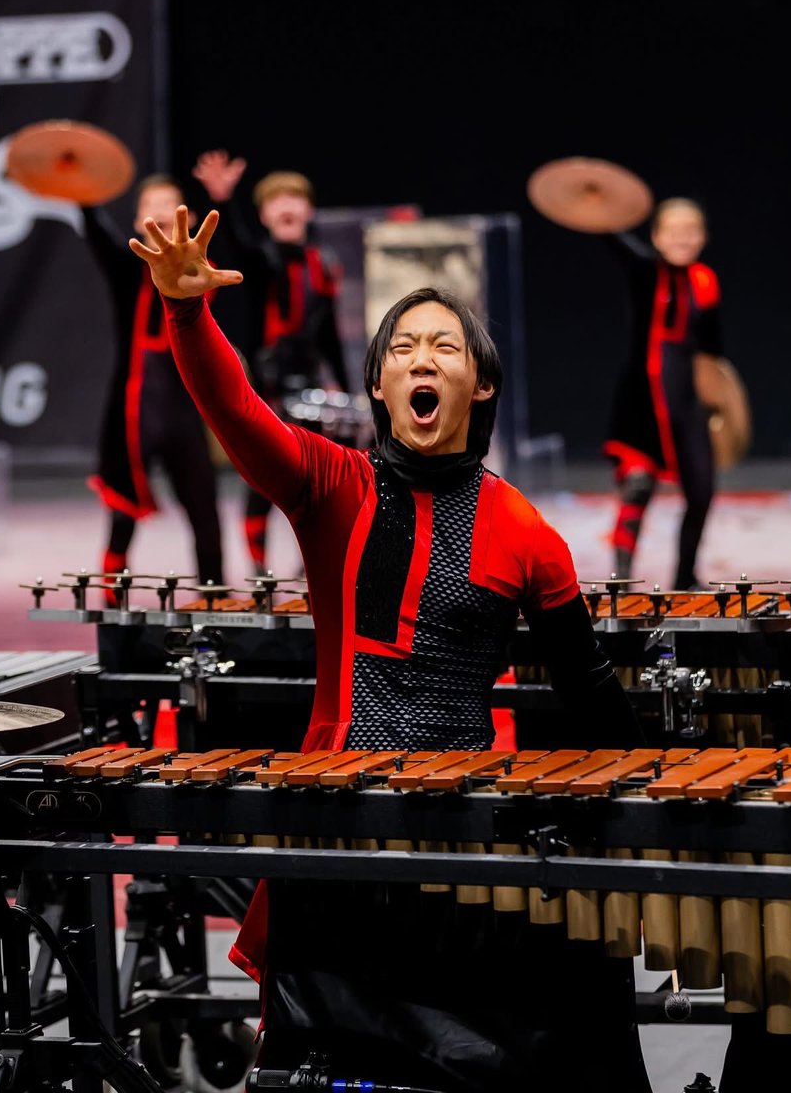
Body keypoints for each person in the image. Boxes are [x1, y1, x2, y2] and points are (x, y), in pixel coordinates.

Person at [130, 205, 651, 1093]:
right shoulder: (329, 486)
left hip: (469, 843)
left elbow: (590, 693)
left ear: (480, 385)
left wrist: (673, 793)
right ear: (377, 384)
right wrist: (186, 311)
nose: (422, 359)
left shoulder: (527, 531)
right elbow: (234, 408)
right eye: (403, 347)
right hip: (336, 837)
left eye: (445, 347)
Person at [192, 150, 349, 573]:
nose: (286, 205)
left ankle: (310, 567)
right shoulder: (261, 261)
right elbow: (238, 244)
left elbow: (330, 335)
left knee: (318, 483)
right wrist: (223, 201)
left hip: (310, 388)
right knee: (261, 483)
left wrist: (348, 386)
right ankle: (261, 574)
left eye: (294, 198)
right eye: (276, 200)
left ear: (308, 209)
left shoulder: (323, 264)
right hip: (268, 388)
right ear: (264, 215)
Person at [81, 175, 223, 590]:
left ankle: (215, 604)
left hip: (183, 409)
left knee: (205, 511)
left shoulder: (200, 269)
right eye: (150, 205)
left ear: (189, 219)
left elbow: (207, 277)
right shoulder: (127, 270)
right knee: (122, 512)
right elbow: (99, 237)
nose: (159, 211)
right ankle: (111, 599)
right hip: (134, 410)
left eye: (168, 203)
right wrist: (83, 197)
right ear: (138, 221)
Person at [601, 197, 722, 590]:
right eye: (673, 230)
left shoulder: (705, 281)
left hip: (686, 404)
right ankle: (621, 582)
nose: (682, 238)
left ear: (702, 237)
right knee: (637, 487)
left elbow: (714, 351)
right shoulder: (646, 272)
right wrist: (595, 208)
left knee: (702, 491)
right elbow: (617, 243)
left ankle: (685, 578)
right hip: (643, 404)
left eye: (690, 230)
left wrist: (721, 404)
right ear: (656, 236)